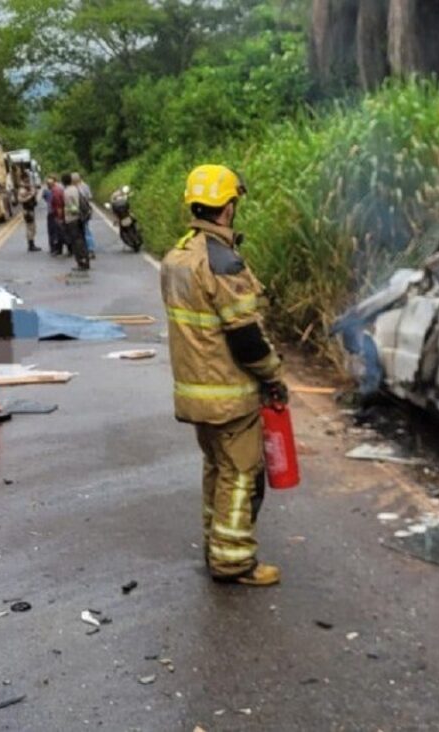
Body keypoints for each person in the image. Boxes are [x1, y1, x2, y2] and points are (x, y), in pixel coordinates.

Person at [160, 164, 287, 587]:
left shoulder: (177, 256)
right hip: (229, 395)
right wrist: (273, 375)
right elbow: (247, 338)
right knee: (241, 474)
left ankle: (216, 546)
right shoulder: (222, 262)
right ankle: (233, 561)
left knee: (216, 468)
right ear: (228, 208)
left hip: (194, 393)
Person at [61, 172, 89, 270]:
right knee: (82, 239)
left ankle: (81, 263)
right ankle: (86, 261)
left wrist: (68, 210)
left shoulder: (66, 192)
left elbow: (72, 207)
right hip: (81, 218)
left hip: (72, 219)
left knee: (76, 242)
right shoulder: (76, 189)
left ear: (63, 182)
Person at [72, 172, 96, 259]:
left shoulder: (80, 187)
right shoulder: (85, 186)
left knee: (85, 230)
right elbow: (90, 197)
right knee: (85, 229)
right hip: (85, 210)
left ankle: (90, 249)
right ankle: (87, 248)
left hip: (83, 211)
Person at [42, 176, 65, 255]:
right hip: (54, 213)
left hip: (54, 213)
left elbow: (45, 198)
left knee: (54, 232)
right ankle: (57, 248)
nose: (48, 185)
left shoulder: (50, 191)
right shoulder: (59, 189)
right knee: (56, 231)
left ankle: (55, 248)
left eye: (49, 183)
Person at [17, 176, 41, 252]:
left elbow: (34, 195)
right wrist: (30, 196)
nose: (27, 182)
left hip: (31, 209)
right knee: (30, 227)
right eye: (26, 181)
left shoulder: (29, 188)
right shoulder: (22, 190)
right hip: (27, 210)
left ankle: (32, 243)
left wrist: (34, 193)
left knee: (33, 227)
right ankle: (31, 245)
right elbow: (20, 200)